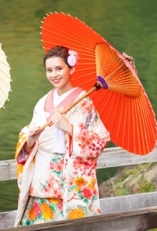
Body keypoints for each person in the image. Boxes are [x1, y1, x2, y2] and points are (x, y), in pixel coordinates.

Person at [14, 45, 110, 225]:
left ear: (71, 68)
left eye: (59, 68)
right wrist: (30, 140)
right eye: (49, 70)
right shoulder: (42, 102)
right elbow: (28, 144)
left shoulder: (85, 102)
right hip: (42, 181)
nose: (54, 74)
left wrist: (71, 129)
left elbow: (99, 141)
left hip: (70, 181)